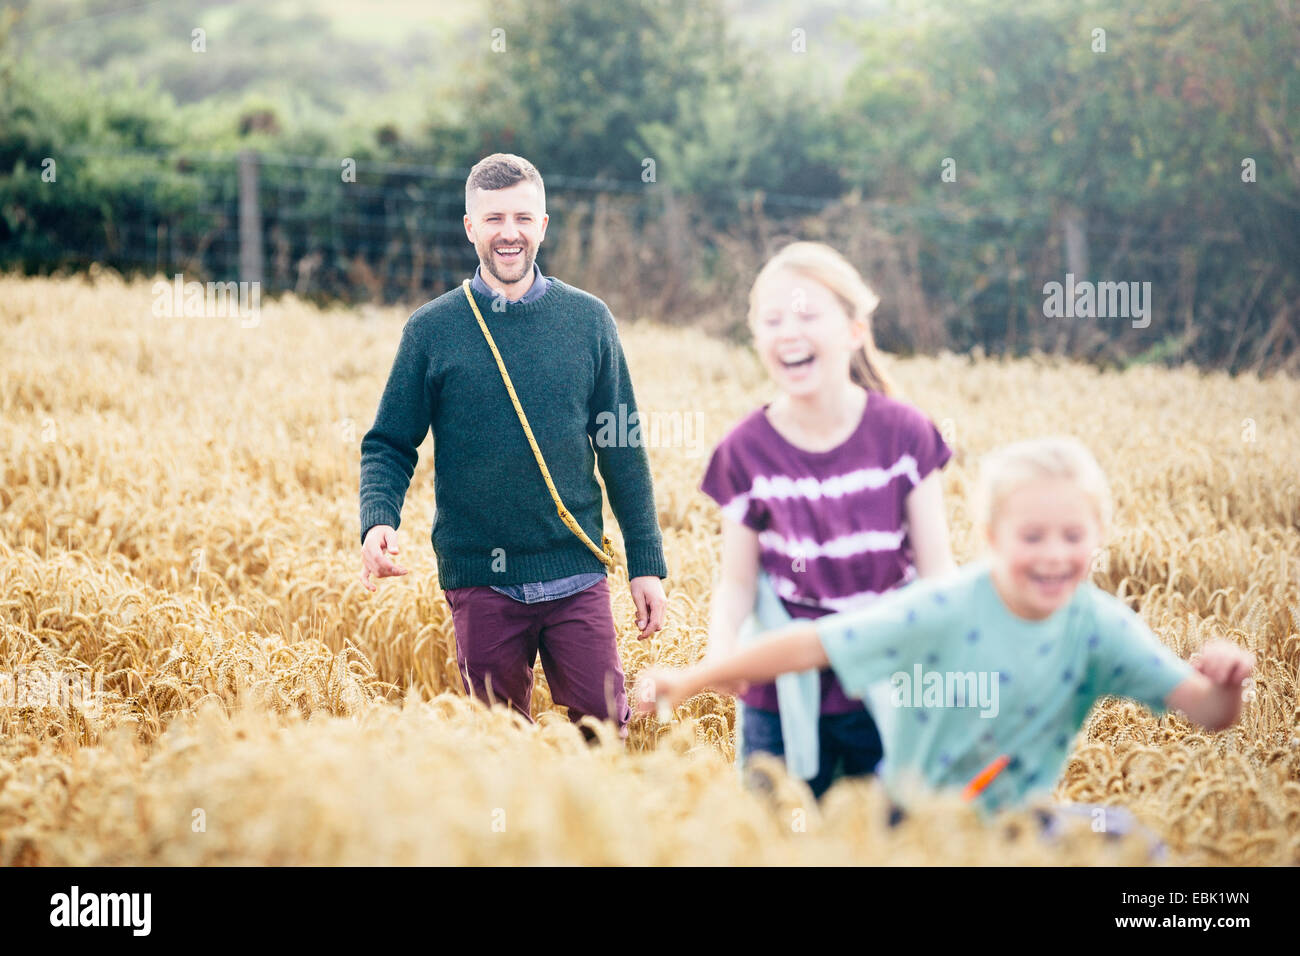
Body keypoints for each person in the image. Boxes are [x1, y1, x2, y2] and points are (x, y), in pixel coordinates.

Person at [639, 436, 1254, 815]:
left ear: (1098, 540)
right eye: (1032, 535)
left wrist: (1225, 683)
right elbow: (812, 645)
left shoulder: (1100, 627)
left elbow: (1206, 711)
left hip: (1015, 827)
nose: (1053, 554)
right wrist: (692, 678)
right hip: (914, 822)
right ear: (989, 538)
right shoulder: (948, 607)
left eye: (1073, 535)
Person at [359, 153, 668, 740]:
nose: (509, 232)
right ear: (470, 226)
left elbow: (622, 448)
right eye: (494, 218)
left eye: (523, 218)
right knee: (498, 747)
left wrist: (647, 565)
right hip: (480, 577)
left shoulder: (589, 322)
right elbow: (389, 443)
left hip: (575, 570)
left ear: (543, 225)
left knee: (604, 734)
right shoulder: (431, 330)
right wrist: (378, 520)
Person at [697, 241, 956, 798]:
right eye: (771, 320)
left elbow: (938, 574)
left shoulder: (906, 435)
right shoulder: (743, 452)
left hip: (890, 680)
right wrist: (722, 653)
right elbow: (738, 582)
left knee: (893, 844)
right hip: (781, 689)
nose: (788, 330)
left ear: (854, 330)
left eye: (808, 314)